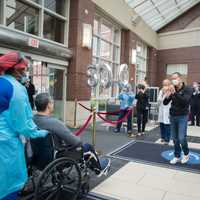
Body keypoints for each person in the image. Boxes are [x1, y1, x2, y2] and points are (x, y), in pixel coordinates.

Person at [0, 52, 48, 200]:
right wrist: (40, 133)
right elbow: (23, 125)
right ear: (16, 69)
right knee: (8, 186)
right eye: (24, 69)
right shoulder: (17, 90)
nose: (25, 72)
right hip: (7, 147)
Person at [31, 93, 111, 177]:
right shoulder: (54, 123)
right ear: (48, 105)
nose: (53, 104)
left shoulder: (31, 121)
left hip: (37, 158)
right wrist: (77, 140)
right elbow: (76, 142)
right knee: (88, 147)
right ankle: (99, 169)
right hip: (54, 158)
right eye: (51, 102)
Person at [163, 72, 193, 164]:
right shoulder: (173, 89)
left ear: (180, 78)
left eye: (175, 78)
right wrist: (167, 95)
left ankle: (186, 153)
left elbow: (185, 101)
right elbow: (165, 102)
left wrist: (174, 93)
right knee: (175, 138)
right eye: (172, 79)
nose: (173, 80)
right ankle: (177, 155)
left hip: (183, 116)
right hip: (173, 116)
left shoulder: (188, 89)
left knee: (181, 138)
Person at [158, 79, 171, 145]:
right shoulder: (161, 91)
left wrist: (166, 93)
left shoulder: (171, 91)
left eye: (166, 84)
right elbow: (159, 100)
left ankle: (167, 139)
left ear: (169, 84)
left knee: (167, 125)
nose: (165, 86)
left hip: (168, 110)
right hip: (161, 110)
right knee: (162, 124)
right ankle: (162, 137)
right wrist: (162, 94)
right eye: (164, 84)